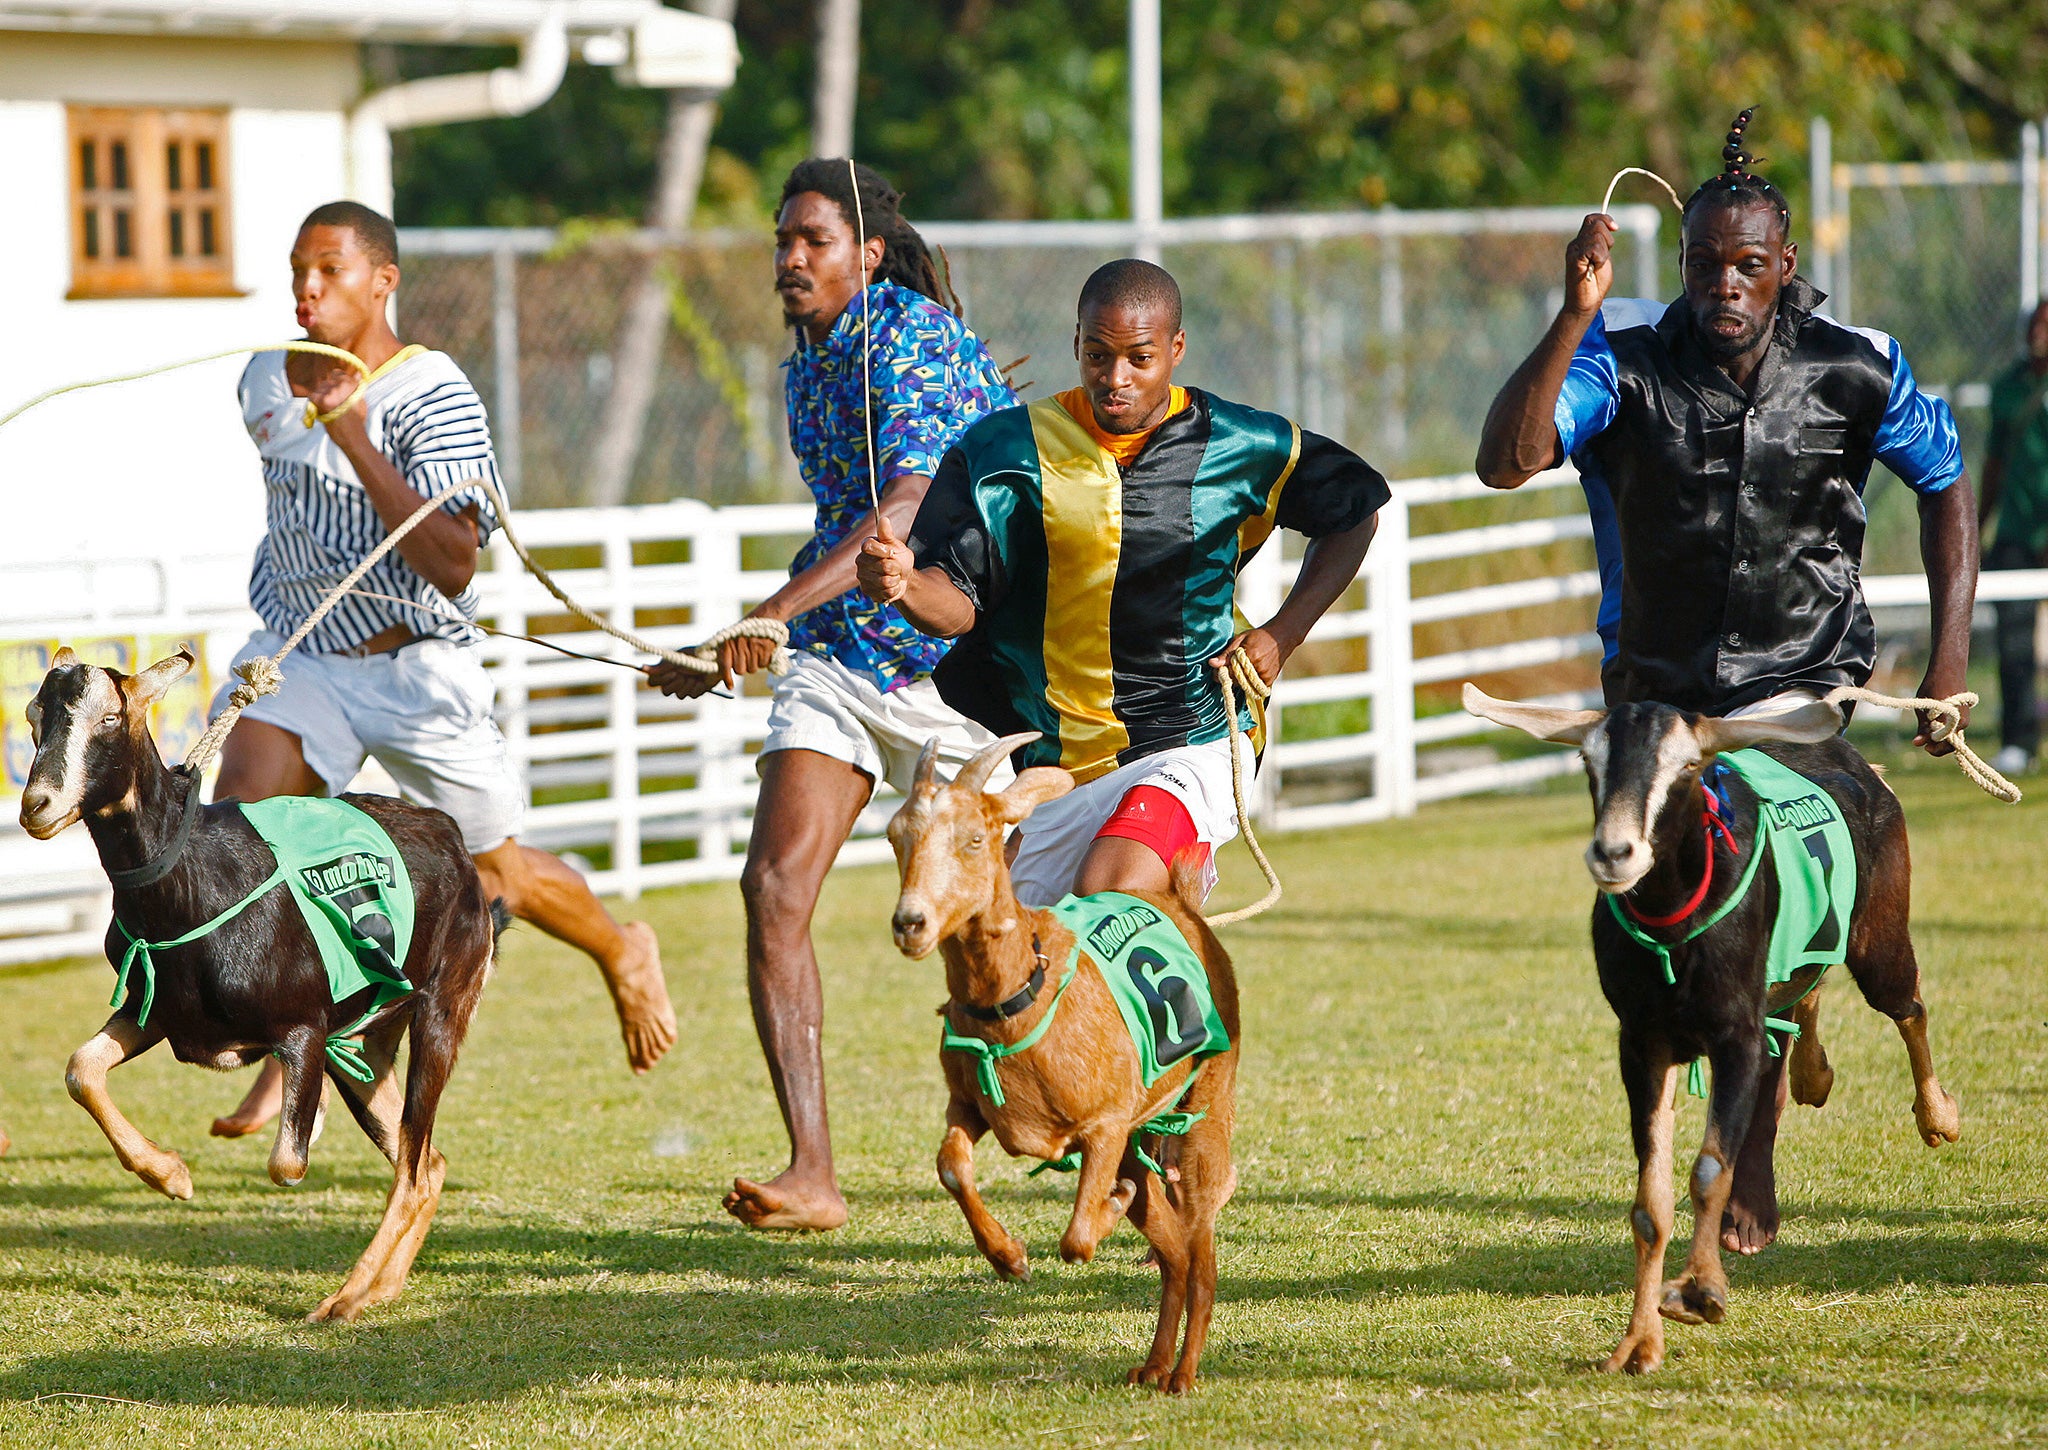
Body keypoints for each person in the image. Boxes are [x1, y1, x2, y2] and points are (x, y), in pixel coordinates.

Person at [1473, 109, 1978, 1254]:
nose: (1724, 286)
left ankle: (1743, 1147)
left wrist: (1945, 666)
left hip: (1802, 693)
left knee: (1766, 880)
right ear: (1680, 262)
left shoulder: (1858, 365)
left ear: (1783, 266)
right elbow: (1505, 460)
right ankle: (1734, 1095)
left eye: (1748, 264)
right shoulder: (1620, 364)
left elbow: (1944, 484)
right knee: (1673, 915)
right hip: (1652, 699)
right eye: (1703, 263)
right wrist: (1572, 313)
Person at [208, 200, 675, 1139]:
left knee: (495, 870)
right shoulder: (262, 377)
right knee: (244, 837)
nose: (307, 287)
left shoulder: (434, 394)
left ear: (383, 282)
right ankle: (287, 1039)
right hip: (302, 656)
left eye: (331, 270)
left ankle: (623, 948)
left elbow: (457, 560)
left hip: (417, 666)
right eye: (299, 268)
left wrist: (353, 437)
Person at [647, 161, 1016, 1231]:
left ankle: (1079, 1119)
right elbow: (840, 527)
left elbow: (903, 505)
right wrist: (729, 645)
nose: (789, 259)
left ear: (864, 250)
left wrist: (761, 612)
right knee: (772, 888)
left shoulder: (912, 338)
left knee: (996, 926)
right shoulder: (806, 366)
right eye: (780, 240)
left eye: (812, 239)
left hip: (957, 656)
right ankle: (812, 1171)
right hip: (844, 654)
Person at [856, 258, 1389, 909]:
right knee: (1014, 972)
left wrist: (1282, 635)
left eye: (1139, 358)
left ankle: (1168, 882)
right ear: (1076, 344)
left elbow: (1354, 513)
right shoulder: (1006, 453)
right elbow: (955, 606)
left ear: (1176, 349)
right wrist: (903, 584)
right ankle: (1184, 992)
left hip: (1193, 735)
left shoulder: (1242, 443)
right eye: (1098, 355)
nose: (1116, 378)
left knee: (1109, 887)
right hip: (1062, 766)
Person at [1979, 299, 2048, 776]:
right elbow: (1995, 464)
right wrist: (1978, 525)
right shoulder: (2008, 388)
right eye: (2036, 324)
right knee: (2014, 644)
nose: (2040, 332)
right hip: (2018, 532)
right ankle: (2019, 742)